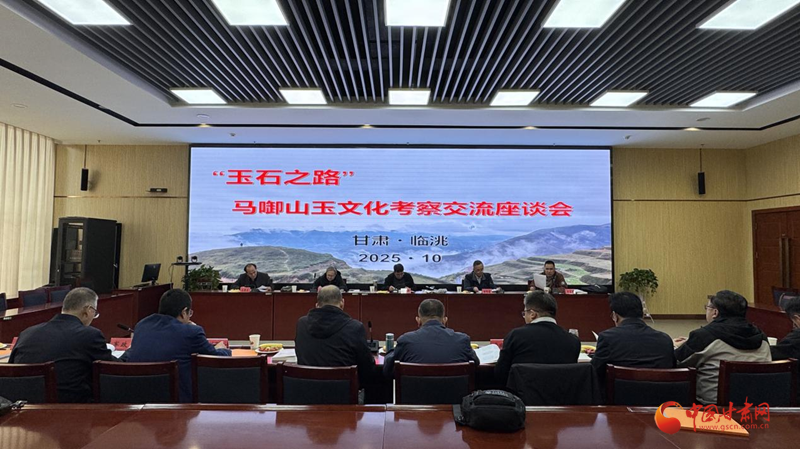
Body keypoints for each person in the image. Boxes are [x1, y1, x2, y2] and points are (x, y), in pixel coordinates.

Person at [121, 288, 231, 403]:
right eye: (190, 313)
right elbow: (216, 359)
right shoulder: (191, 332)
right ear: (184, 312)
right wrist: (224, 350)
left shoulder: (142, 325)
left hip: (139, 401)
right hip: (177, 405)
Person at [9, 287, 116, 403]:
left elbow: (11, 370)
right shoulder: (90, 335)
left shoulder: (26, 333)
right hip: (70, 409)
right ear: (88, 310)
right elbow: (111, 369)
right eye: (95, 313)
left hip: (23, 407)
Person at [674, 290, 771, 405]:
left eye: (707, 308)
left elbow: (676, 362)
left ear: (715, 312)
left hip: (713, 408)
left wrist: (679, 346)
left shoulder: (704, 336)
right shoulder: (761, 337)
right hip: (756, 406)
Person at [590, 292, 675, 385]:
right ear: (642, 314)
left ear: (615, 316)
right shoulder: (665, 340)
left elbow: (594, 371)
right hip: (659, 393)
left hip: (620, 393)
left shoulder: (607, 338)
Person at [295, 285, 374, 385]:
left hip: (305, 390)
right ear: (342, 303)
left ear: (317, 305)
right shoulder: (355, 327)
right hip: (344, 392)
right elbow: (367, 368)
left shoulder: (302, 324)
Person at [495, 291, 580, 383]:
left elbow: (500, 374)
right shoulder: (573, 341)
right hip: (562, 392)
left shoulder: (516, 336)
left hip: (521, 391)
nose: (524, 316)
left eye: (524, 313)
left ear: (532, 314)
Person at [383, 299, 480, 378]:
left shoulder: (406, 341)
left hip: (415, 396)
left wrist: (391, 351)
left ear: (418, 321)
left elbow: (387, 369)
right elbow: (476, 365)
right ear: (444, 320)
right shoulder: (462, 340)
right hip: (455, 396)